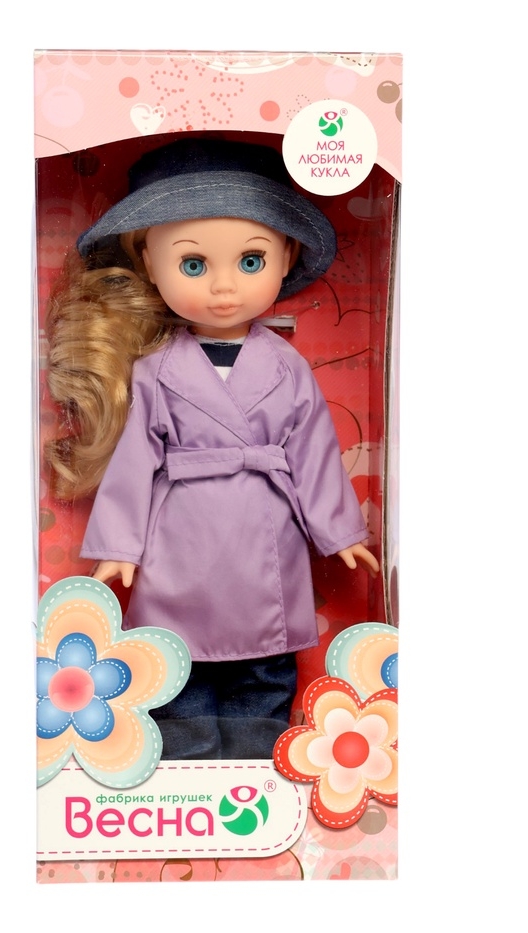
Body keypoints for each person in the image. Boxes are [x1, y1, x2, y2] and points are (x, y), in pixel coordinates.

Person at [45, 137, 379, 760]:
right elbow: (135, 463)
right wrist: (119, 546)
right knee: (177, 667)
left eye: (251, 261)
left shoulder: (286, 367)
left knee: (265, 671)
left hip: (264, 536)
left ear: (286, 256)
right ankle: (186, 772)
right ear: (150, 264)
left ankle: (258, 770)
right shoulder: (154, 370)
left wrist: (339, 532)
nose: (225, 287)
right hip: (180, 542)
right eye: (194, 265)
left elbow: (313, 452)